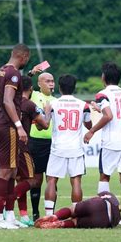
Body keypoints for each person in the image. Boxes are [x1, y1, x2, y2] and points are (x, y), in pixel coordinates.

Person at [84, 62, 121, 226]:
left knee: (105, 176)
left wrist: (91, 130)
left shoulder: (102, 94)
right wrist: (99, 108)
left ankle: (104, 213)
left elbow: (109, 116)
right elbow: (116, 112)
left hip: (111, 142)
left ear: (104, 77)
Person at [0, 43, 31, 229]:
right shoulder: (14, 73)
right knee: (5, 171)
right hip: (8, 126)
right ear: (24, 57)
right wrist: (19, 126)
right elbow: (7, 100)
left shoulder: (0, 71)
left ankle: (10, 216)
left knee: (12, 170)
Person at [44, 74, 92, 216]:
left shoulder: (53, 104)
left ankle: (48, 215)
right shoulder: (83, 105)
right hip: (75, 148)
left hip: (57, 148)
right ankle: (76, 214)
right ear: (74, 87)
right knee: (76, 181)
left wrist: (46, 112)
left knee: (51, 180)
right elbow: (88, 124)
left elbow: (46, 124)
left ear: (59, 87)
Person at [7, 76, 50, 227]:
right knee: (33, 180)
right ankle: (9, 202)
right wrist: (48, 112)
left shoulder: (10, 103)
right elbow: (44, 125)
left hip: (9, 144)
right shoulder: (30, 105)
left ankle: (23, 215)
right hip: (23, 146)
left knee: (19, 180)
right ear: (31, 89)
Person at [28, 72, 56, 221]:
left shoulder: (57, 101)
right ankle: (35, 213)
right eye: (47, 81)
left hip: (53, 144)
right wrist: (31, 73)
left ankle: (52, 214)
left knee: (52, 179)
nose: (51, 83)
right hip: (36, 143)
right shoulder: (33, 96)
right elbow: (20, 84)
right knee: (37, 180)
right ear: (39, 83)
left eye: (52, 81)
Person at [34, 191, 121, 229]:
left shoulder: (108, 195)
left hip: (98, 204)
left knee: (72, 210)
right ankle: (60, 224)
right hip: (105, 221)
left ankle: (55, 216)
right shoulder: (118, 217)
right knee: (76, 222)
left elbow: (97, 198)